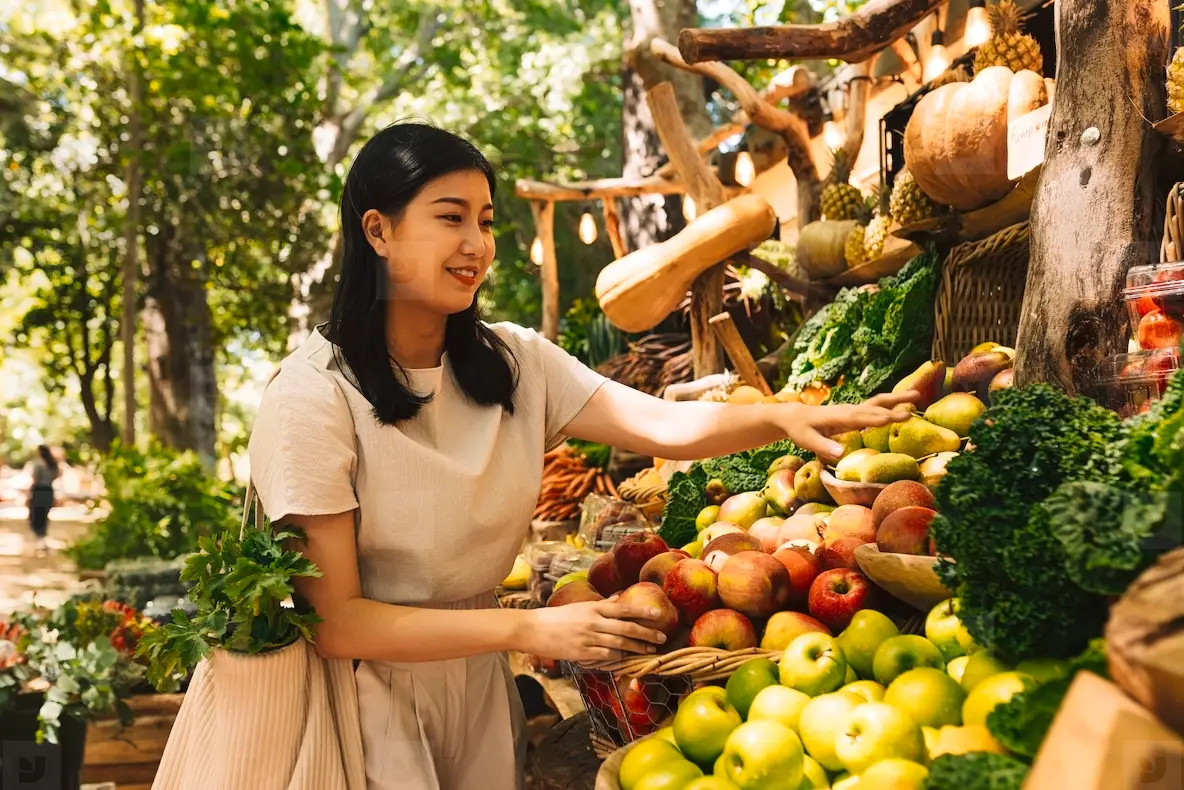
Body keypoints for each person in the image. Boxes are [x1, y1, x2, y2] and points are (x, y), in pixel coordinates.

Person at [246, 121, 917, 790]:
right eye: (449, 219)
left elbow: (660, 424)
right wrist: (532, 628)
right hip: (360, 705)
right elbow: (338, 622)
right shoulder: (313, 396)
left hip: (479, 691)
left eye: (484, 221)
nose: (476, 245)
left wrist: (785, 415)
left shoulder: (512, 361)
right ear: (378, 232)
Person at [28, 444, 59, 555]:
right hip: (48, 490)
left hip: (39, 490)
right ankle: (42, 537)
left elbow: (35, 478)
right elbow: (56, 476)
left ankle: (40, 537)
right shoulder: (53, 464)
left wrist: (29, 492)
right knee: (44, 514)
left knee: (36, 514)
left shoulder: (38, 463)